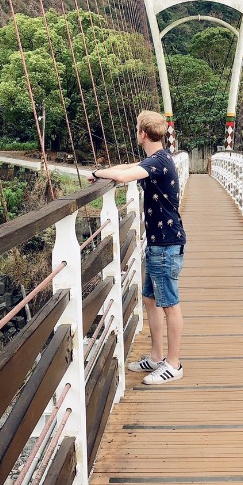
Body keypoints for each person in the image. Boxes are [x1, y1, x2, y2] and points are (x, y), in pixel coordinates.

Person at [88, 110, 185, 384]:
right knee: (151, 300)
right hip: (160, 243)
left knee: (170, 305)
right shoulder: (158, 159)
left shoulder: (157, 163)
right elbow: (125, 169)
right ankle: (156, 357)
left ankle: (174, 364)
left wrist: (96, 173)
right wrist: (105, 172)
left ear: (142, 134)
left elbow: (122, 177)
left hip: (166, 245)